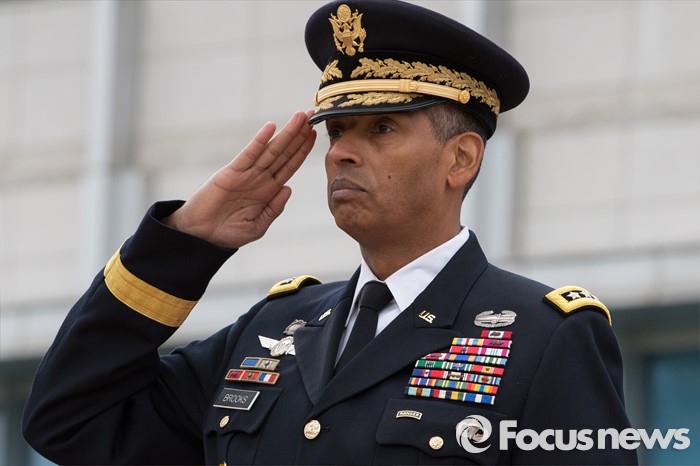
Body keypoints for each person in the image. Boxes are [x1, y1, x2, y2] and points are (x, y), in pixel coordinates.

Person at [22, 0, 637, 464]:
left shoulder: (544, 335)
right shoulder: (272, 330)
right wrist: (184, 243)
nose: (340, 152)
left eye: (382, 129)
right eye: (337, 131)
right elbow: (70, 419)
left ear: (461, 159)